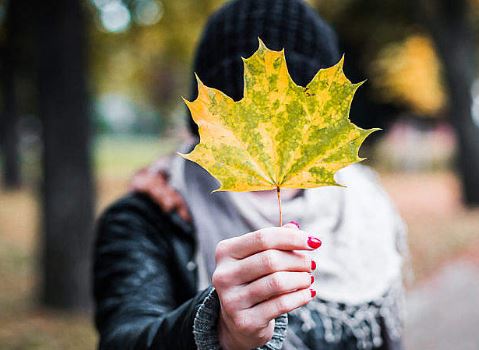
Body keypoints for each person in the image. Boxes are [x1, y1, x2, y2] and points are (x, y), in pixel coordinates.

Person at [93, 0, 408, 349]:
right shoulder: (149, 219)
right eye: (246, 127)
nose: (271, 136)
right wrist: (220, 331)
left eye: (294, 119)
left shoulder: (365, 203)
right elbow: (125, 338)